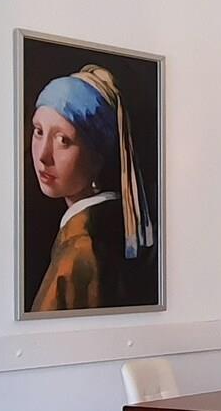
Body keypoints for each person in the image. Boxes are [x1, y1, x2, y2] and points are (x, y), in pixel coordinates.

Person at [27, 64, 154, 311]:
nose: (42, 155)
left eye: (63, 140)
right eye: (39, 132)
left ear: (97, 155)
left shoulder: (82, 247)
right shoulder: (107, 224)